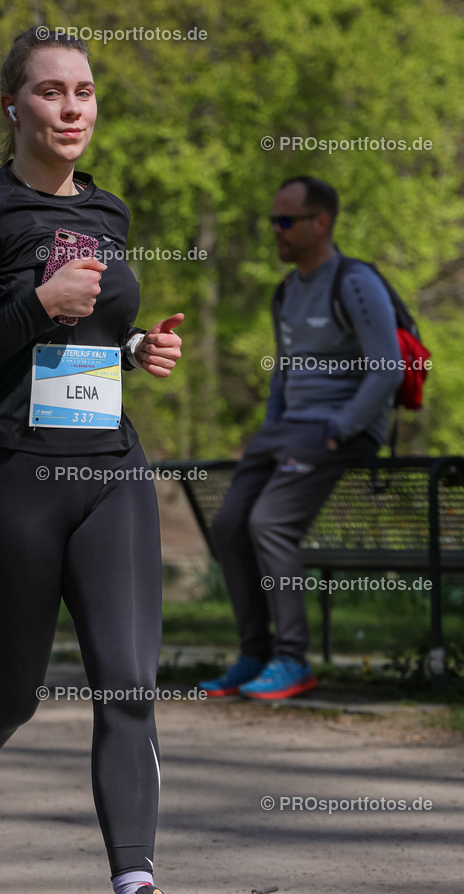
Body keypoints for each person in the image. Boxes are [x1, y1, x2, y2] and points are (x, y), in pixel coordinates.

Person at [0, 28, 205, 894]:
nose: (71, 107)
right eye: (49, 92)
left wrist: (133, 354)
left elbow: (85, 342)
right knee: (10, 692)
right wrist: (38, 305)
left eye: (84, 90)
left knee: (128, 684)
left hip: (109, 467)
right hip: (5, 478)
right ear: (12, 107)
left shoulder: (111, 212)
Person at [200, 176, 403, 701]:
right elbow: (283, 373)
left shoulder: (355, 282)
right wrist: (269, 427)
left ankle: (292, 659)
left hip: (338, 428)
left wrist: (341, 427)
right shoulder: (287, 289)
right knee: (228, 524)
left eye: (286, 220)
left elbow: (387, 370)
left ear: (321, 222)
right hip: (286, 429)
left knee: (269, 523)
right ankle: (255, 654)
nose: (276, 230)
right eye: (272, 220)